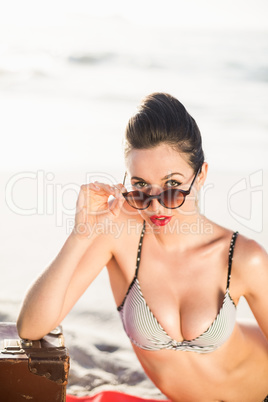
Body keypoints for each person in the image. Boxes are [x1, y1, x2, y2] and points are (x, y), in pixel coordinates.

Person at [17, 93, 268, 401]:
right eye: (140, 187)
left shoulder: (243, 258)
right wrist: (80, 235)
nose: (156, 205)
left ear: (200, 175)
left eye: (173, 186)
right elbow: (31, 326)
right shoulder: (118, 234)